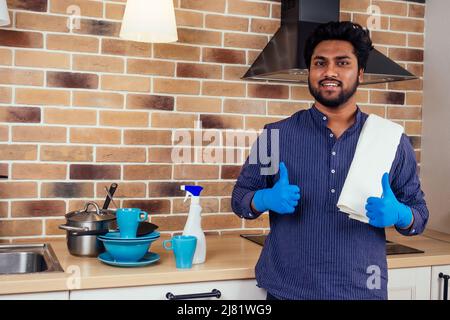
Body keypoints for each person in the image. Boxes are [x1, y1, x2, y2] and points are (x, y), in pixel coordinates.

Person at [231, 21, 429, 300]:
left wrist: (401, 215)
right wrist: (262, 199)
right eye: (320, 63)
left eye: (343, 62)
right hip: (288, 291)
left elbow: (419, 213)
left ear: (360, 72)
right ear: (309, 71)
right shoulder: (274, 136)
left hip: (361, 291)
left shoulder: (391, 140)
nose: (330, 72)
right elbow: (240, 197)